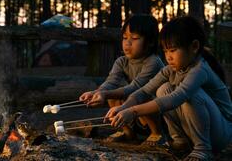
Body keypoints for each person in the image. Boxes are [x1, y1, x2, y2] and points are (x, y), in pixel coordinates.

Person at [106, 16, 232, 160]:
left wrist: (133, 111)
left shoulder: (200, 69)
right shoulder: (170, 70)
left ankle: (203, 148)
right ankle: (180, 141)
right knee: (162, 89)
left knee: (190, 94)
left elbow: (176, 97)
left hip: (221, 133)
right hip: (199, 129)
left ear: (194, 47)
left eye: (173, 50)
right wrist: (123, 108)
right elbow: (145, 90)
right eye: (165, 51)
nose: (168, 57)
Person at [79, 14, 165, 144]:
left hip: (155, 115)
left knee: (143, 96)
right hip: (130, 113)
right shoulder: (121, 61)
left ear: (151, 42)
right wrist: (97, 93)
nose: (127, 43)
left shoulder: (153, 62)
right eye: (125, 38)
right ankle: (127, 132)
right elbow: (111, 81)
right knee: (113, 94)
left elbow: (136, 87)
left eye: (135, 38)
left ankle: (156, 133)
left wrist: (105, 93)